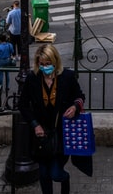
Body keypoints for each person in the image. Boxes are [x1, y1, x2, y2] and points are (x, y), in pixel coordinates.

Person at [19, 44, 86, 194]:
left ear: (55, 61)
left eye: (48, 64)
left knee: (55, 173)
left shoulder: (67, 77)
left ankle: (65, 180)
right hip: (41, 136)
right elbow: (22, 105)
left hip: (61, 134)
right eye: (41, 64)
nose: (44, 67)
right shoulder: (33, 78)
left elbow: (80, 96)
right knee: (43, 174)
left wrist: (75, 107)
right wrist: (35, 124)